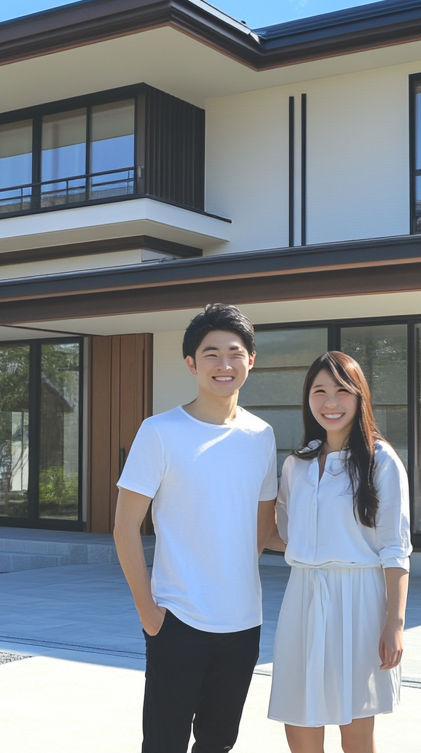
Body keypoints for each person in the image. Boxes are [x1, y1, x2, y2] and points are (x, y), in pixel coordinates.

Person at [114, 303, 278, 753]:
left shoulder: (261, 436)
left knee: (218, 743)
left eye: (234, 352)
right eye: (211, 354)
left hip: (244, 622)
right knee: (163, 744)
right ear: (191, 363)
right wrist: (148, 611)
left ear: (251, 359)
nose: (223, 364)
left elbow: (263, 531)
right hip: (176, 619)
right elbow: (125, 526)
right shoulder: (160, 431)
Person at [264, 351, 412, 753]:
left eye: (342, 391)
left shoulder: (381, 461)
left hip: (360, 599)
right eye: (320, 391)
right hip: (303, 595)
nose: (331, 402)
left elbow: (395, 548)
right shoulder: (297, 464)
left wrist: (393, 624)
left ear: (360, 396)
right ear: (308, 398)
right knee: (298, 718)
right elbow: (283, 535)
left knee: (356, 727)